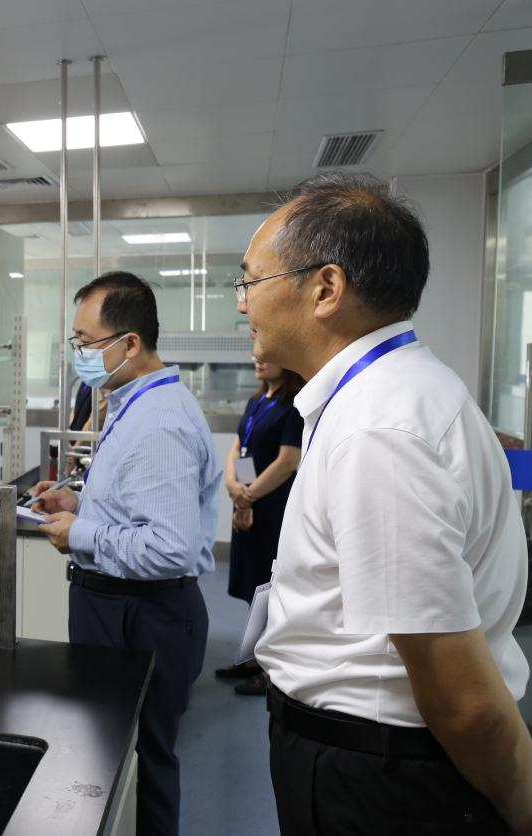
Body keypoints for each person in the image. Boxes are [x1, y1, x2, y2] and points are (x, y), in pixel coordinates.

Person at [242, 173, 532, 834]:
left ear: (326, 289)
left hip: (377, 780)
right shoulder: (387, 395)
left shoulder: (379, 428)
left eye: (251, 281)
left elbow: (461, 700)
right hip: (370, 759)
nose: (242, 302)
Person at [30, 272, 220, 836]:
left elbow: (167, 548)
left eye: (86, 342)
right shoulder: (135, 402)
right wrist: (80, 502)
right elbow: (137, 505)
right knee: (114, 753)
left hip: (142, 613)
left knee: (145, 762)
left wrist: (81, 534)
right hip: (121, 606)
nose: (80, 355)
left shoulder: (159, 422)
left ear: (130, 343)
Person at [213, 358, 303, 696]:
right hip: (249, 503)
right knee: (253, 587)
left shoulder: (294, 406)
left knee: (271, 589)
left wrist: (248, 496)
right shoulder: (257, 401)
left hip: (272, 508)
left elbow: (287, 461)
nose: (258, 360)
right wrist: (236, 490)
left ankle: (270, 671)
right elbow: (240, 446)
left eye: (267, 356)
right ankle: (253, 658)